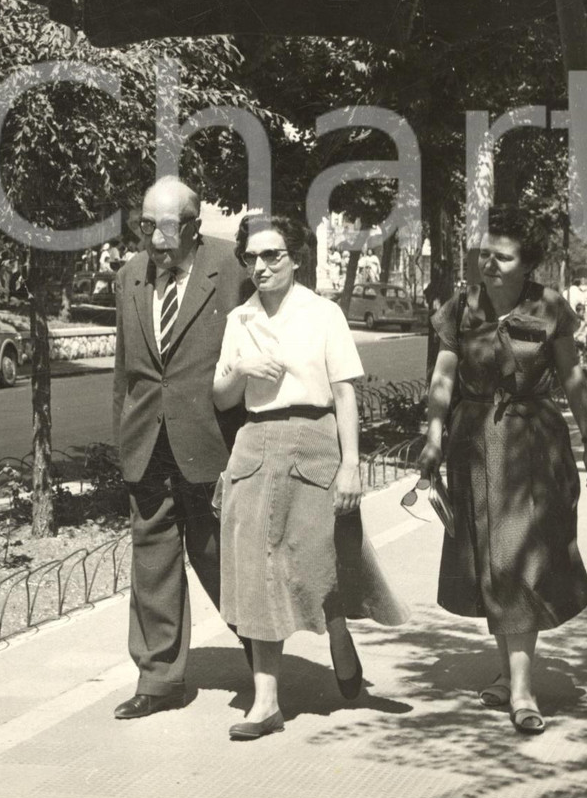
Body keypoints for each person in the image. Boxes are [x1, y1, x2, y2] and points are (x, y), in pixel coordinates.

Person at [213, 213, 407, 741]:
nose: (260, 266)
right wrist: (241, 371)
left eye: (271, 255)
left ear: (295, 258)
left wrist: (351, 464)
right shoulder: (240, 320)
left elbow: (344, 393)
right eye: (251, 257)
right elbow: (222, 398)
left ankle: (336, 629)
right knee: (257, 569)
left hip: (314, 442)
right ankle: (266, 704)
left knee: (318, 558)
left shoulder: (324, 314)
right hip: (256, 443)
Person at [418, 206, 587, 736]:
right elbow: (443, 378)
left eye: (501, 257)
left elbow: (572, 378)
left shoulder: (549, 306)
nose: (489, 264)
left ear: (527, 264)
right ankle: (508, 673)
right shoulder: (461, 308)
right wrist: (433, 439)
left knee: (519, 557)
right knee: (490, 557)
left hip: (531, 445)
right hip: (473, 444)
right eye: (485, 255)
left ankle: (521, 688)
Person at [110, 174, 248, 720]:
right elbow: (125, 372)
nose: (155, 239)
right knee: (153, 564)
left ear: (193, 226)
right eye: (146, 226)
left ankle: (262, 650)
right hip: (148, 444)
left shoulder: (234, 267)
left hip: (214, 444)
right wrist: (123, 443)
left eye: (166, 227)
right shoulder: (130, 276)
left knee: (221, 559)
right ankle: (159, 678)